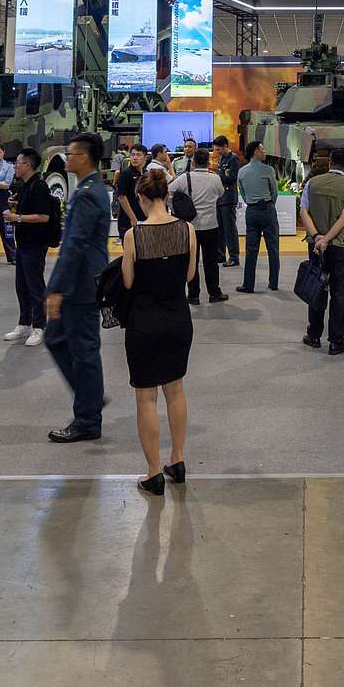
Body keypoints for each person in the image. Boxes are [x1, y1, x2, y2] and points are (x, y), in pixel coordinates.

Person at [119, 167, 197, 495]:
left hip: (144, 323)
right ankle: (177, 460)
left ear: (140, 198)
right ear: (167, 195)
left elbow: (127, 282)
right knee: (175, 390)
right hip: (178, 319)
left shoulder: (134, 235)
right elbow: (189, 276)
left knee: (146, 396)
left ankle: (153, 473)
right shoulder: (188, 230)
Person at [44, 132, 109, 444]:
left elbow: (74, 246)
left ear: (85, 157)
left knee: (84, 352)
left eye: (71, 154)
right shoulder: (90, 188)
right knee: (55, 338)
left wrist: (57, 289)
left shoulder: (86, 194)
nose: (67, 158)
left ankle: (87, 419)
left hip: (80, 286)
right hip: (80, 282)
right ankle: (90, 396)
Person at [300, 147, 344, 354]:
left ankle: (314, 335)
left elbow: (304, 211)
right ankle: (336, 341)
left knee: (317, 287)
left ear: (330, 162)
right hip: (340, 246)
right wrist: (328, 239)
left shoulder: (312, 183)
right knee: (338, 293)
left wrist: (317, 237)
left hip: (315, 246)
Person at [4, 148, 55, 346]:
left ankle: (39, 326)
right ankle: (24, 323)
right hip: (23, 243)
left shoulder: (39, 186)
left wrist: (16, 217)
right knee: (22, 285)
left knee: (35, 286)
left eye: (18, 163)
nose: (15, 166)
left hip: (35, 244)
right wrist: (16, 205)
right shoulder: (25, 185)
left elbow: (43, 216)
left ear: (28, 165)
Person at [170, 148, 226, 305]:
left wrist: (175, 207)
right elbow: (221, 194)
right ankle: (214, 293)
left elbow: (169, 190)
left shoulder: (185, 178)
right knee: (211, 262)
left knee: (191, 261)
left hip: (190, 226)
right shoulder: (215, 178)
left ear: (193, 162)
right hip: (211, 225)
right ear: (208, 162)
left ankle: (193, 295)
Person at [237, 140, 280, 292]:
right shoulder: (268, 170)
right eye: (262, 149)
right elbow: (274, 192)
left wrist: (251, 202)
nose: (265, 152)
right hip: (267, 209)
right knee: (273, 248)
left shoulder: (242, 171)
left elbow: (242, 192)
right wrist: (269, 205)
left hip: (251, 211)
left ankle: (248, 285)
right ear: (256, 152)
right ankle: (273, 283)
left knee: (251, 250)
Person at [214, 135, 242, 266]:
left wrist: (217, 176)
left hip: (228, 198)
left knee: (229, 229)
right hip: (220, 198)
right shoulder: (222, 158)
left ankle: (234, 257)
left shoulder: (233, 159)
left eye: (218, 149)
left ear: (225, 146)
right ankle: (221, 255)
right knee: (220, 229)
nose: (217, 152)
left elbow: (232, 178)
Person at [115, 142, 149, 245]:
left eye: (138, 155)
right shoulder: (126, 173)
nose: (135, 158)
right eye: (133, 155)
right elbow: (121, 197)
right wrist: (132, 217)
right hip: (128, 220)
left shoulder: (146, 173)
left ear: (145, 157)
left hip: (144, 219)